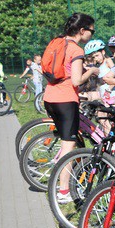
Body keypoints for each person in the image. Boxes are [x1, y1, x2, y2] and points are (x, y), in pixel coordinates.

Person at [41, 13, 96, 202]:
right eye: (92, 30)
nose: (92, 34)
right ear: (82, 31)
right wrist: (92, 71)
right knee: (68, 147)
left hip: (50, 97)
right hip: (65, 100)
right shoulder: (76, 49)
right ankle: (64, 191)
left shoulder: (58, 43)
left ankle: (60, 181)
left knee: (66, 140)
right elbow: (77, 79)